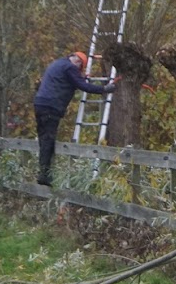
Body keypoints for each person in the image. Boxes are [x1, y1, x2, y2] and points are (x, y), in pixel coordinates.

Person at [33, 51, 116, 186]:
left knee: (43, 139)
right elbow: (83, 86)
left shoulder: (58, 64)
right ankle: (44, 175)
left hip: (40, 104)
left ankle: (44, 172)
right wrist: (104, 89)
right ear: (78, 62)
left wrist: (79, 79)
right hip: (51, 106)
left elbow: (69, 83)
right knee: (48, 140)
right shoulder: (70, 68)